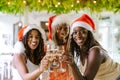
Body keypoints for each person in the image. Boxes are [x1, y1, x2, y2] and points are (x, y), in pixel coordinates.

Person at [70, 13, 120, 80]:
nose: (78, 36)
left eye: (83, 32)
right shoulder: (81, 50)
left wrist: (72, 64)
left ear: (89, 34)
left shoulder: (95, 51)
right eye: (75, 32)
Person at [47, 14, 82, 80]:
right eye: (60, 28)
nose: (63, 31)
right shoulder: (49, 46)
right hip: (53, 77)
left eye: (66, 29)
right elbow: (47, 68)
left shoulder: (73, 45)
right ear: (55, 30)